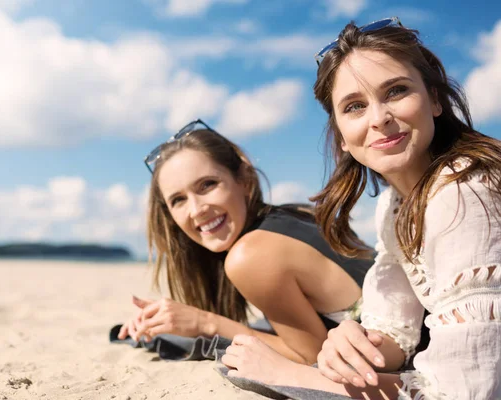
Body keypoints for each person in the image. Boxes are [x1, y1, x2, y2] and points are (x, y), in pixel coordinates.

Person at [220, 17, 501, 399]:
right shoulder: (395, 204)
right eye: (354, 106)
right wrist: (353, 344)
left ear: (435, 100)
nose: (379, 118)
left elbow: (464, 391)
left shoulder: (464, 189)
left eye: (397, 91)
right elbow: (394, 330)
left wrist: (292, 375)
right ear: (341, 136)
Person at [117, 119, 373, 364]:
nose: (196, 209)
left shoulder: (249, 255)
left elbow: (310, 356)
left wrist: (203, 322)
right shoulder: (295, 214)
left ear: (245, 180)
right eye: (178, 200)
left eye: (207, 185)